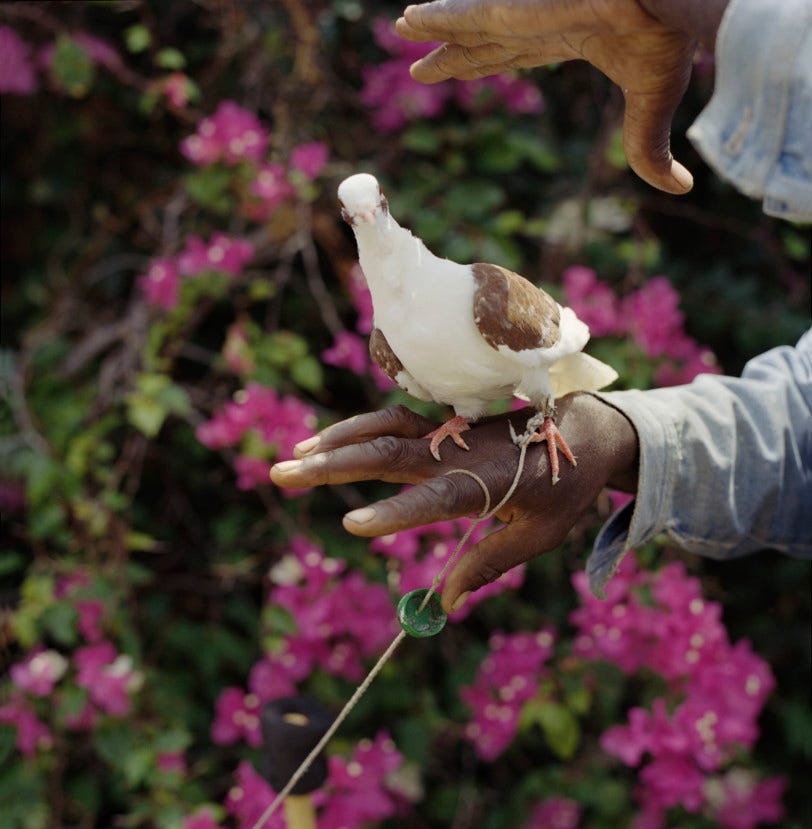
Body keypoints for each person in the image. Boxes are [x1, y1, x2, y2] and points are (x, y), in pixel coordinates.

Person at [270, 0, 812, 613]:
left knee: (534, 388)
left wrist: (661, 5)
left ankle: (548, 413)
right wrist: (619, 437)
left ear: (384, 207)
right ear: (351, 219)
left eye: (376, 210)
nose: (369, 221)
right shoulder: (390, 341)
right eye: (357, 217)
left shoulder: (481, 294)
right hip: (516, 400)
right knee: (426, 383)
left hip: (540, 367)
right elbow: (798, 423)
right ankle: (475, 416)